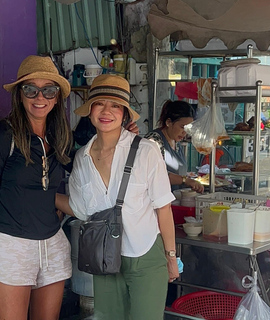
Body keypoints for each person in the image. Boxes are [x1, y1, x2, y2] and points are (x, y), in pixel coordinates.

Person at [56, 74, 179, 320]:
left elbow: (163, 209)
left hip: (145, 256)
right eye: (100, 103)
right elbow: (80, 209)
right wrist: (44, 194)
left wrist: (171, 257)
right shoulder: (82, 158)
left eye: (115, 105)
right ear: (90, 111)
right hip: (104, 260)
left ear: (124, 113)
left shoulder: (146, 150)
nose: (106, 111)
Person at [0, 55, 74, 320]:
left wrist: (122, 136)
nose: (40, 97)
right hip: (12, 245)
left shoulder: (59, 136)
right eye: (31, 89)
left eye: (48, 90)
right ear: (20, 94)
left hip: (52, 243)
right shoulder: (3, 135)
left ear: (56, 97)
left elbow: (86, 166)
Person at [145, 100, 204, 193]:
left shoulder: (175, 141)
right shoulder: (154, 140)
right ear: (169, 122)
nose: (185, 132)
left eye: (187, 128)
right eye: (182, 127)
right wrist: (185, 180)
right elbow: (153, 174)